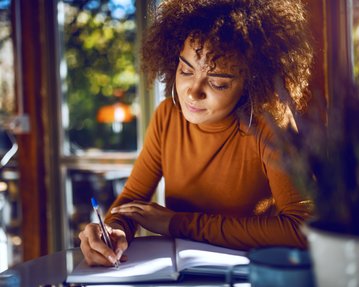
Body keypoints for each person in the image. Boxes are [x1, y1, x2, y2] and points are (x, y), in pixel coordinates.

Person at [79, 0, 314, 267]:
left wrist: (177, 223)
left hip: (254, 273)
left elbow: (302, 227)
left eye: (217, 82)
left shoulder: (271, 124)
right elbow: (133, 200)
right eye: (186, 70)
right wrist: (113, 230)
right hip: (180, 275)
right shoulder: (167, 116)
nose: (193, 91)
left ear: (251, 84)